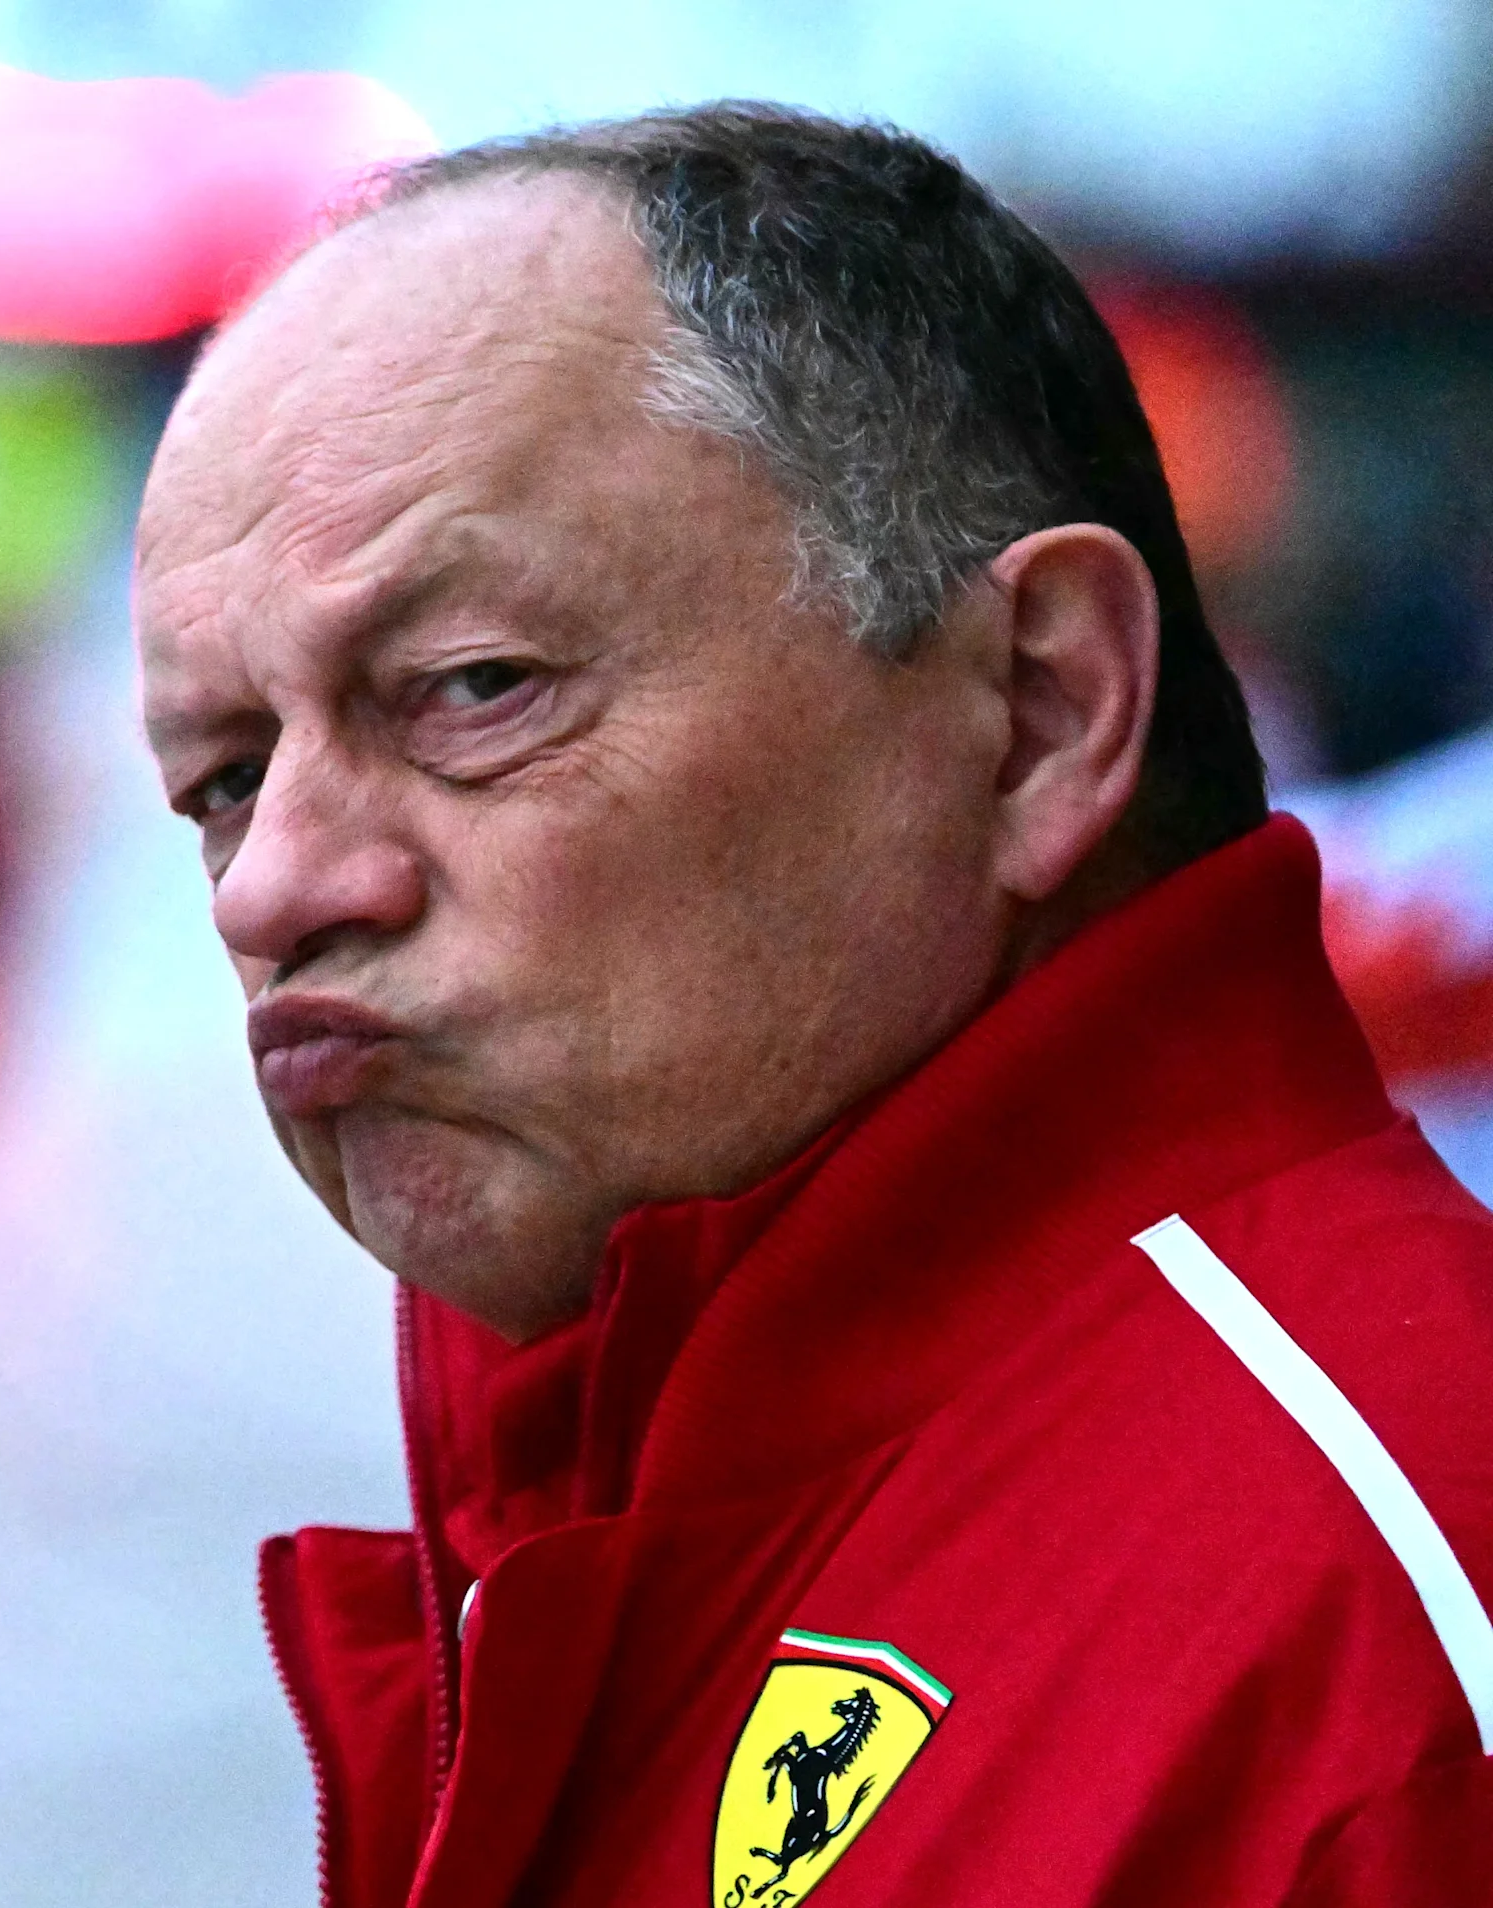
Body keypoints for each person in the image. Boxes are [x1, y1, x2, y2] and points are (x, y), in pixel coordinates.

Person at [134, 104, 1493, 1906]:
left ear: (1037, 705)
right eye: (225, 773)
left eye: (471, 687)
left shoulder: (1397, 1631)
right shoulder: (600, 1536)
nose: (275, 883)